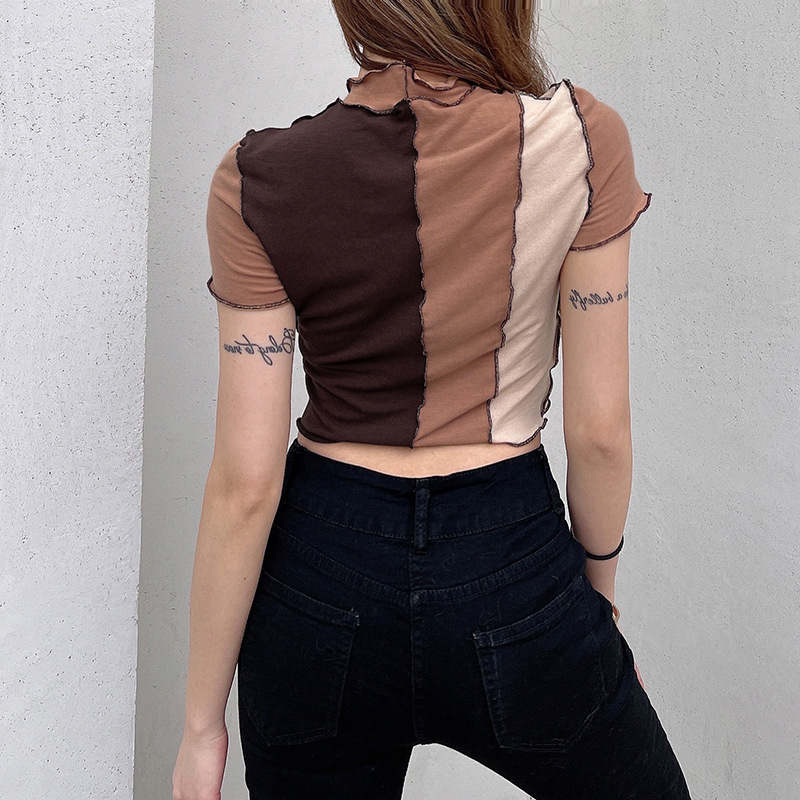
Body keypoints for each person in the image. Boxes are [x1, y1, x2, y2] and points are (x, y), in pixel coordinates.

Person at [173, 2, 692, 798]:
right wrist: (597, 613)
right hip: (510, 554)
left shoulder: (257, 177)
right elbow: (599, 434)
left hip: (321, 571)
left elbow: (245, 483)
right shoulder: (584, 141)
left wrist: (200, 726)